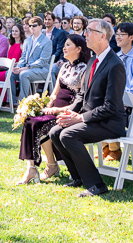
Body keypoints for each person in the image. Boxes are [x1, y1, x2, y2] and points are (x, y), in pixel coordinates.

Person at [48, 19, 127, 197]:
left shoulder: (115, 65)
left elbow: (111, 107)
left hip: (109, 122)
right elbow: (82, 95)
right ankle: (78, 178)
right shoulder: (93, 60)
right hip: (92, 118)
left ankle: (96, 185)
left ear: (102, 36)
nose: (85, 34)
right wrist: (69, 112)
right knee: (55, 132)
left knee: (68, 135)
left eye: (90, 31)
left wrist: (80, 118)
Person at [15, 34, 90, 184]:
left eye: (68, 45)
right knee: (30, 120)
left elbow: (81, 101)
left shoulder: (85, 69)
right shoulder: (64, 67)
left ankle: (49, 165)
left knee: (37, 124)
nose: (64, 47)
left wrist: (56, 110)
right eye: (65, 45)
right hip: (54, 109)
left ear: (79, 49)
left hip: (70, 111)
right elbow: (55, 92)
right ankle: (34, 167)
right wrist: (46, 106)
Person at [102, 23, 133, 162]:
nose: (118, 37)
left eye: (122, 34)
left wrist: (117, 96)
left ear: (131, 37)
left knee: (109, 108)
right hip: (114, 97)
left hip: (128, 100)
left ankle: (115, 149)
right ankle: (106, 147)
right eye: (117, 34)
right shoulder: (115, 57)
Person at [12, 16, 52, 100]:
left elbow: (42, 61)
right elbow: (23, 57)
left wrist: (27, 67)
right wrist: (18, 66)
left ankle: (22, 102)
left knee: (24, 74)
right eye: (30, 26)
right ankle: (11, 102)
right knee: (10, 73)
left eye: (34, 25)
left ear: (40, 27)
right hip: (28, 69)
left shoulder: (47, 42)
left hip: (42, 70)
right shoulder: (27, 41)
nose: (31, 27)